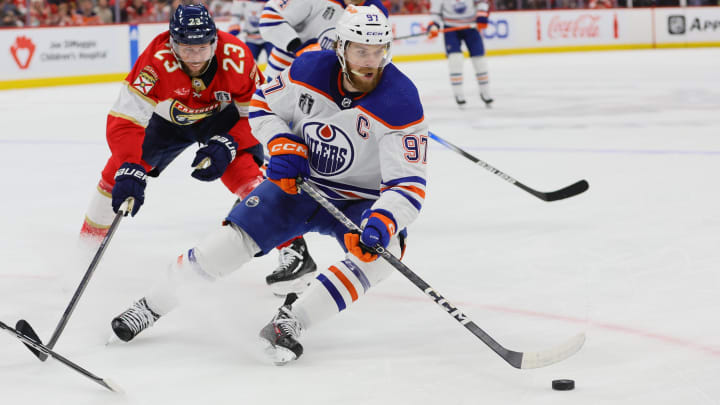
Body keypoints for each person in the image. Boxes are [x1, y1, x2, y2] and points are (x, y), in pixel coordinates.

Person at [109, 5, 428, 366]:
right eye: (360, 50)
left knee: (387, 249)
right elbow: (261, 105)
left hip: (358, 200)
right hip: (299, 184)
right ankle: (149, 306)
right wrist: (281, 142)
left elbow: (408, 184)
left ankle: (291, 321)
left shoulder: (401, 101)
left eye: (378, 51)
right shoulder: (308, 69)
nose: (371, 62)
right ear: (341, 47)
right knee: (230, 243)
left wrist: (383, 220)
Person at [79, 4, 264, 254]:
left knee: (244, 170)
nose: (196, 58)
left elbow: (258, 115)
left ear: (215, 40)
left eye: (203, 48)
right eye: (187, 49)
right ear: (172, 43)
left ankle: (293, 249)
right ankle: (86, 248)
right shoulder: (155, 62)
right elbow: (125, 120)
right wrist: (129, 164)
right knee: (117, 172)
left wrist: (230, 142)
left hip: (221, 118)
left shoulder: (237, 57)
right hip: (167, 124)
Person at [258, 0, 388, 80]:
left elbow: (379, 55)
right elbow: (270, 19)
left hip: (326, 87)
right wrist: (298, 47)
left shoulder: (377, 12)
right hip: (283, 75)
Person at [428, 0, 493, 107]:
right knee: (455, 60)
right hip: (451, 28)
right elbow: (435, 14)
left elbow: (482, 2)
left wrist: (482, 15)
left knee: (479, 60)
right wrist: (434, 25)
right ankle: (458, 94)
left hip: (471, 26)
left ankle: (485, 92)